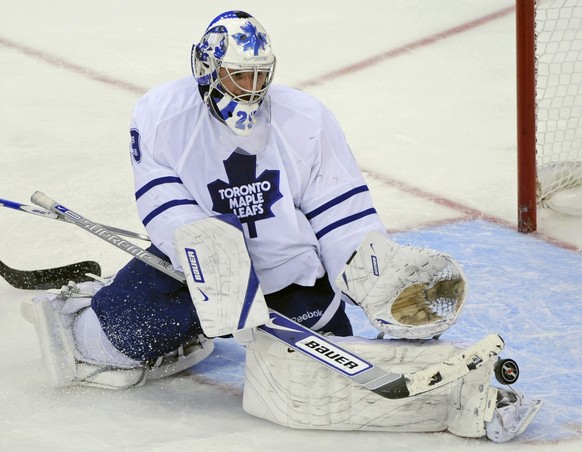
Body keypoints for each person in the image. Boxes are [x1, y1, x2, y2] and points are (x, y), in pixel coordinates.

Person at [22, 10, 540, 442]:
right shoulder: (162, 114)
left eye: (259, 75)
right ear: (207, 69)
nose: (250, 89)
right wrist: (207, 257)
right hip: (188, 279)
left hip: (288, 279)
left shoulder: (306, 120)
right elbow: (163, 203)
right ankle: (96, 308)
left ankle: (457, 404)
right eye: (236, 76)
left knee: (319, 388)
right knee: (94, 351)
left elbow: (341, 213)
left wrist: (372, 271)